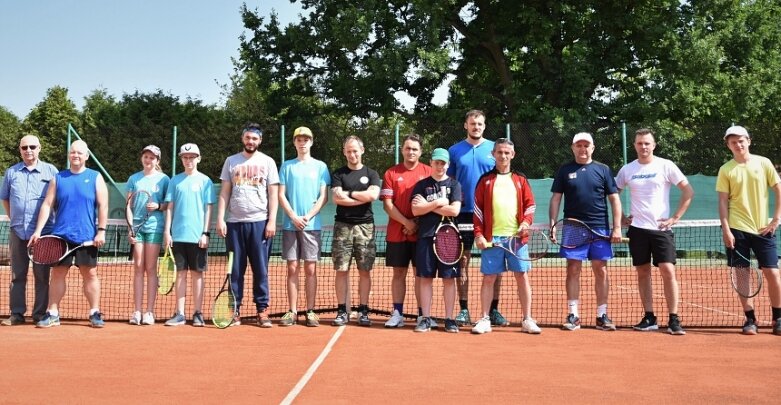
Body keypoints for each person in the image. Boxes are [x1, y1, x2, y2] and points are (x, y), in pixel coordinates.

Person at [615, 129, 694, 335]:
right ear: (634, 145)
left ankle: (674, 318)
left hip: (661, 230)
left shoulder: (666, 165)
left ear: (654, 145)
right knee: (643, 273)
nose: (643, 147)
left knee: (668, 271)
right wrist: (621, 217)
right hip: (637, 230)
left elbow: (688, 191)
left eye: (647, 143)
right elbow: (613, 193)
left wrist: (674, 218)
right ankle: (649, 317)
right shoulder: (627, 170)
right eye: (640, 143)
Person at [549, 132, 623, 331]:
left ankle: (602, 315)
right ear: (573, 148)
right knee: (573, 269)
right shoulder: (564, 170)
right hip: (573, 227)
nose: (582, 149)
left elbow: (615, 199)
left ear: (592, 148)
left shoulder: (603, 169)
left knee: (601, 270)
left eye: (586, 145)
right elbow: (556, 199)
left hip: (599, 227)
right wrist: (553, 224)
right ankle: (573, 315)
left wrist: (616, 227)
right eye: (578, 145)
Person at [30, 140, 108, 328]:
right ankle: (53, 313)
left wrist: (101, 231)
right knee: (57, 274)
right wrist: (38, 231)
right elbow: (47, 205)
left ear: (86, 156)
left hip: (87, 237)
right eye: (73, 152)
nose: (76, 155)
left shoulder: (95, 177)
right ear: (69, 155)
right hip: (60, 237)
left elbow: (103, 205)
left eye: (80, 153)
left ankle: (94, 313)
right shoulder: (58, 178)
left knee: (90, 274)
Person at [716, 125, 781, 335]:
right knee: (742, 275)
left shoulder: (764, 163)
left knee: (773, 273)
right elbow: (723, 202)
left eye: (741, 140)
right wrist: (726, 230)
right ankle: (750, 319)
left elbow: (779, 190)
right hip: (737, 229)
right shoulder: (726, 169)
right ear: (728, 145)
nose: (738, 144)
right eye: (733, 142)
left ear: (749, 141)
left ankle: (778, 318)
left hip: (764, 230)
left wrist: (776, 219)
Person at [472, 138, 541, 334]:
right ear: (493, 154)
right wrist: (479, 235)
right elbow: (477, 212)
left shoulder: (520, 180)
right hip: (492, 239)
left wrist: (525, 224)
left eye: (506, 152)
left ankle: (527, 319)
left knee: (522, 276)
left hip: (517, 240)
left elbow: (530, 205)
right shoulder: (485, 181)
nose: (503, 156)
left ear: (513, 155)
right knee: (489, 278)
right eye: (499, 152)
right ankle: (485, 318)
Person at [447, 109, 508, 327]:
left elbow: (503, 179)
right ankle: (463, 310)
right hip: (463, 213)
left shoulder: (494, 150)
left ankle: (493, 310)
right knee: (462, 261)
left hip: (490, 215)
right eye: (473, 124)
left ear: (484, 126)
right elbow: (449, 181)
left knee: (495, 263)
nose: (476, 127)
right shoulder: (454, 151)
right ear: (466, 125)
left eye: (480, 124)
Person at [216, 124, 279, 328]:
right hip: (234, 225)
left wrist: (271, 221)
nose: (250, 141)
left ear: (260, 141)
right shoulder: (231, 161)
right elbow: (225, 192)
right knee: (235, 270)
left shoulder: (268, 162)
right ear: (243, 139)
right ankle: (235, 311)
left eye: (254, 138)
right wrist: (220, 218)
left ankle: (262, 310)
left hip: (260, 224)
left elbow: (273, 194)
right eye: (247, 138)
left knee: (261, 270)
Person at [1, 135, 58, 326]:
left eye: (32, 146)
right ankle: (17, 314)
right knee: (18, 275)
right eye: (24, 147)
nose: (28, 150)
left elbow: (56, 201)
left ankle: (40, 314)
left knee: (42, 276)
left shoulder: (51, 171)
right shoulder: (11, 173)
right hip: (17, 232)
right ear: (20, 150)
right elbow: (6, 199)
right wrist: (15, 220)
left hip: (43, 233)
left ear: (39, 148)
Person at [278, 126, 330, 327]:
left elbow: (323, 196)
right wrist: (293, 216)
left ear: (311, 142)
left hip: (311, 225)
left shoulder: (321, 167)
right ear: (294, 142)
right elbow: (282, 194)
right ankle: (292, 311)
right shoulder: (287, 166)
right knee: (292, 267)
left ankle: (310, 311)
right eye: (299, 139)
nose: (302, 142)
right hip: (290, 225)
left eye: (306, 139)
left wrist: (307, 216)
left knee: (310, 269)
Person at [380, 134, 431, 328]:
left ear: (420, 152)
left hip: (422, 233)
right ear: (402, 150)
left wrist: (416, 223)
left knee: (421, 275)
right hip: (397, 232)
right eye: (408, 148)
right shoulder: (391, 173)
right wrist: (407, 223)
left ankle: (422, 315)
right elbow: (387, 205)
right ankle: (398, 313)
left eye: (415, 149)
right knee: (398, 273)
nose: (411, 152)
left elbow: (431, 202)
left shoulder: (428, 172)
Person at [330, 136, 381, 327]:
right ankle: (342, 310)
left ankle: (363, 310)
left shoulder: (372, 173)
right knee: (341, 270)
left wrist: (349, 194)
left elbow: (373, 195)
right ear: (344, 152)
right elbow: (337, 199)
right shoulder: (338, 174)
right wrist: (362, 197)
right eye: (348, 151)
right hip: (342, 226)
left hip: (365, 227)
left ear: (362, 150)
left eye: (355, 150)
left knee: (364, 271)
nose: (352, 154)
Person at [410, 148, 462, 333]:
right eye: (437, 162)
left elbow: (454, 211)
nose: (440, 166)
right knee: (425, 279)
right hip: (425, 236)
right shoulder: (421, 185)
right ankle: (425, 318)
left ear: (447, 165)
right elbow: (415, 211)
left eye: (443, 163)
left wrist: (427, 206)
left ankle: (449, 319)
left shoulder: (454, 185)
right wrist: (439, 202)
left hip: (448, 238)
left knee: (449, 279)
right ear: (431, 163)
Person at [163, 143, 214, 327]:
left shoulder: (205, 181)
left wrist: (205, 233)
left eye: (192, 157)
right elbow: (170, 207)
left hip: (197, 238)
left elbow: (209, 209)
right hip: (178, 236)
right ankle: (180, 313)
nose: (189, 160)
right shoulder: (174, 181)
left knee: (197, 275)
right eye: (185, 157)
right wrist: (167, 232)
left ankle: (198, 313)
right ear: (181, 159)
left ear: (198, 158)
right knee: (181, 275)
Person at [125, 145, 170, 326]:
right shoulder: (133, 179)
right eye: (146, 156)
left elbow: (168, 204)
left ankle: (149, 311)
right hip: (137, 228)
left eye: (152, 157)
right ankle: (137, 311)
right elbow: (128, 205)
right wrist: (131, 228)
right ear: (142, 158)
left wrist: (158, 207)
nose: (148, 160)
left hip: (154, 228)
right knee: (138, 267)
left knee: (150, 268)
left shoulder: (164, 179)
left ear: (157, 161)